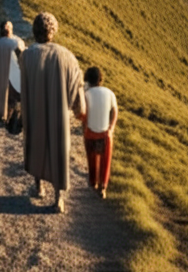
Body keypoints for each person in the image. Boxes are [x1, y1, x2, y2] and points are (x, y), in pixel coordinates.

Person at [19, 12, 86, 213]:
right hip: (59, 115)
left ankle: (38, 186)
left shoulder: (27, 56)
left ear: (34, 30)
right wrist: (78, 110)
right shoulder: (67, 56)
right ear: (53, 31)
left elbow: (21, 83)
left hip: (34, 110)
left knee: (36, 145)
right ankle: (58, 199)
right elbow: (77, 87)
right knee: (59, 152)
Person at [82, 66, 118, 199]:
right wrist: (111, 128)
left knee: (92, 158)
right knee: (105, 160)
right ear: (101, 79)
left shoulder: (86, 94)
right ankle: (103, 187)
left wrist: (85, 127)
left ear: (87, 80)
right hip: (105, 134)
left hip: (90, 132)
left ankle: (93, 182)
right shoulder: (109, 93)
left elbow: (83, 113)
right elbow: (115, 111)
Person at [0, 21, 26, 121]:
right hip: (14, 74)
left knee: (7, 96)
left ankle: (4, 114)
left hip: (4, 74)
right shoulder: (17, 42)